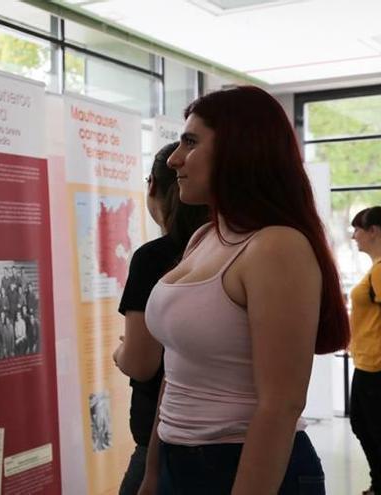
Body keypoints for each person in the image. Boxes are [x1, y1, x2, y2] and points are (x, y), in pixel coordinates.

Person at [141, 86, 349, 494]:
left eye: (191, 142)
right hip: (177, 459)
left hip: (244, 465)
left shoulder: (276, 246)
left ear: (239, 150)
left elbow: (281, 405)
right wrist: (152, 473)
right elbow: (176, 369)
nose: (173, 159)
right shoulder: (204, 236)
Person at [112, 142, 208, 495]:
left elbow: (142, 363)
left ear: (152, 185)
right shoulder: (224, 248)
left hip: (169, 433)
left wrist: (120, 353)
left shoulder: (154, 258)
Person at [349, 206, 381, 495]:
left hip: (375, 365)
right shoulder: (376, 268)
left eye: (358, 229)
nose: (354, 236)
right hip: (366, 361)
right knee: (363, 424)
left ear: (374, 231)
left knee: (370, 427)